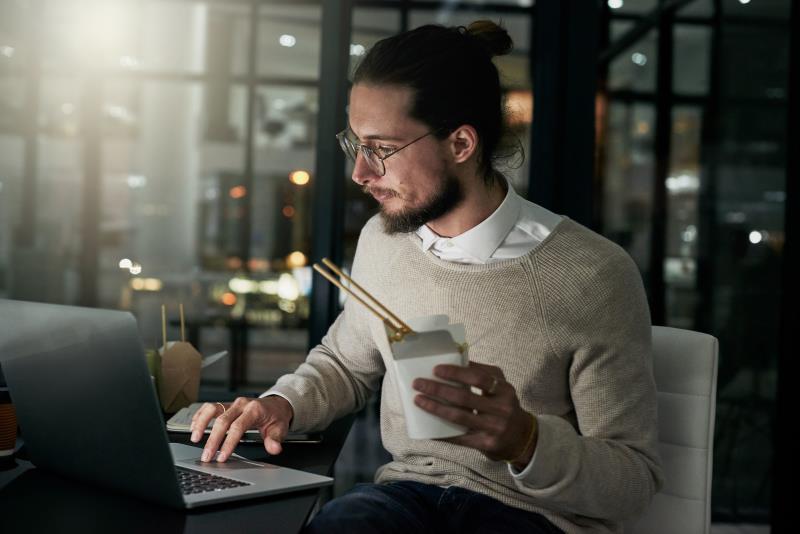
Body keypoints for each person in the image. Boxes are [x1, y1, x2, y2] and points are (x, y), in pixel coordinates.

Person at [190, 21, 663, 534]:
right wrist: (280, 404)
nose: (361, 174)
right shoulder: (384, 240)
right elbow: (347, 364)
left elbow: (632, 480)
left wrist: (527, 441)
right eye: (356, 144)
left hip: (534, 518)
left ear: (460, 143)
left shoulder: (593, 274)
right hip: (405, 499)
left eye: (382, 149)